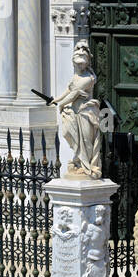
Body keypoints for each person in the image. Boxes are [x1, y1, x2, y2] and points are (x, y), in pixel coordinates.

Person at [55, 41, 104, 177]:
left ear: (88, 60)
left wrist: (61, 104)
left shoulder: (88, 78)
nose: (81, 50)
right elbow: (69, 90)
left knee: (87, 141)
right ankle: (78, 160)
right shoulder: (76, 76)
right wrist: (56, 99)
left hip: (86, 113)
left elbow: (74, 94)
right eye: (78, 48)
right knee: (68, 133)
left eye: (84, 49)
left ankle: (87, 165)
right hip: (75, 113)